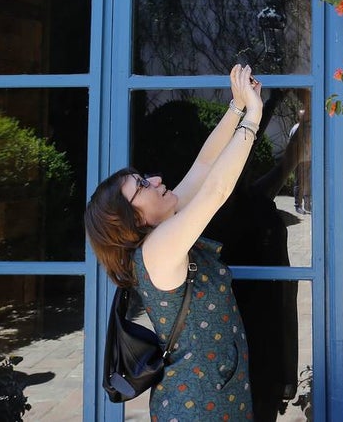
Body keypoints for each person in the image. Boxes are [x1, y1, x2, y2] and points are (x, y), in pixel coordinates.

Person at [85, 64, 263, 421]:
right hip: (195, 406)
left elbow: (204, 165)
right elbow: (216, 189)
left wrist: (237, 106)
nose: (155, 179)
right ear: (133, 219)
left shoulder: (163, 231)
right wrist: (253, 121)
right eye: (142, 186)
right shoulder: (158, 249)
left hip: (214, 393)